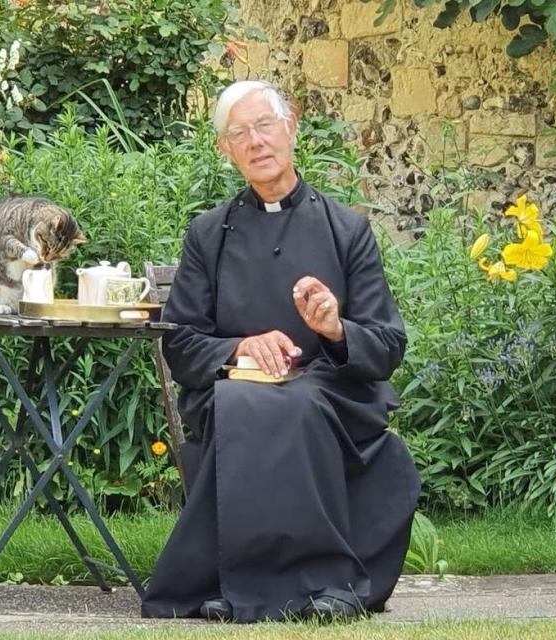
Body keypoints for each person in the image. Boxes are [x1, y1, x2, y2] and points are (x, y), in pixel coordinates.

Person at [140, 80, 421, 624]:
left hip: (334, 393)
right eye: (239, 133)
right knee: (255, 404)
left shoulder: (348, 230)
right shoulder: (208, 235)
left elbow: (387, 344)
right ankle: (305, 586)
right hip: (234, 386)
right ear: (225, 149)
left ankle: (252, 588)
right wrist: (243, 345)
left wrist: (336, 329)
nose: (256, 142)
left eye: (264, 126)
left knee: (297, 403)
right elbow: (183, 343)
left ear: (290, 127)